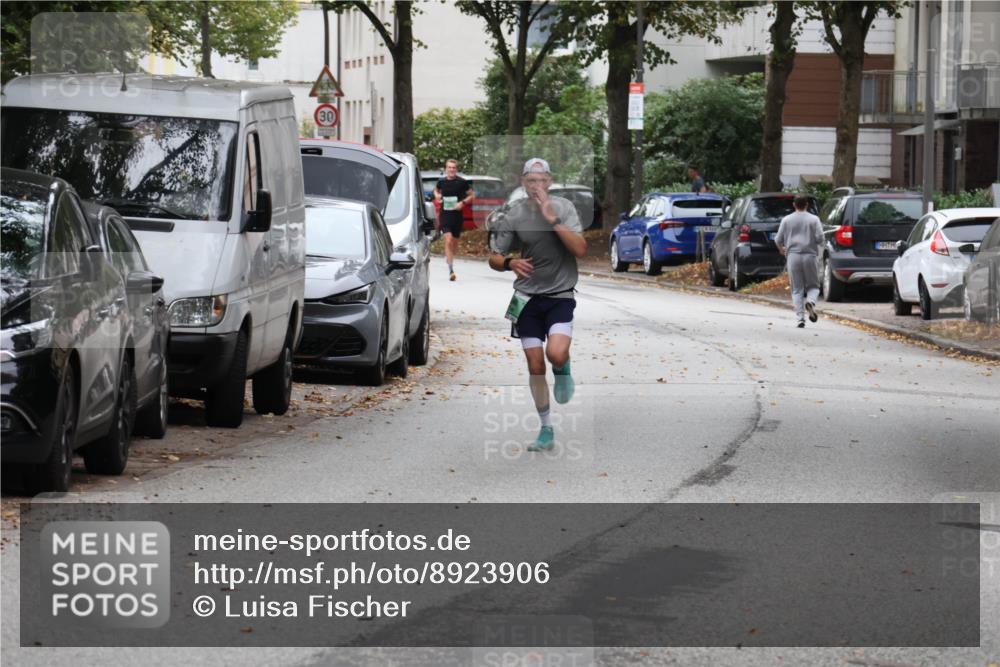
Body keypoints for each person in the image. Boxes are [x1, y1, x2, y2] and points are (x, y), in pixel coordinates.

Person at [488, 158, 586, 452]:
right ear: (523, 182)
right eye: (531, 181)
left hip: (560, 295)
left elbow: (580, 249)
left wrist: (552, 218)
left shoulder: (565, 208)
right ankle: (546, 428)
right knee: (534, 364)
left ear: (550, 182)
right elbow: (493, 257)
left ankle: (563, 365)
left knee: (555, 354)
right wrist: (508, 262)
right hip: (526, 298)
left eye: (541, 181)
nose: (536, 186)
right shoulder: (513, 215)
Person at [775, 194, 824, 328]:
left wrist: (781, 249)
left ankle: (800, 319)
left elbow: (778, 239)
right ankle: (811, 302)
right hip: (810, 255)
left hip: (793, 256)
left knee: (797, 289)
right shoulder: (814, 219)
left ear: (794, 205)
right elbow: (820, 238)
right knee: (813, 286)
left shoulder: (786, 220)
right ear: (807, 204)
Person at [434, 159, 474, 281]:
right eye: (449, 167)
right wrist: (437, 196)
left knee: (454, 243)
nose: (451, 169)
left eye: (453, 168)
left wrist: (463, 202)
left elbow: (472, 195)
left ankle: (449, 256)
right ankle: (451, 269)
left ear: (456, 169)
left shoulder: (462, 182)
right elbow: (436, 190)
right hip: (445, 215)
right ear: (446, 169)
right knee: (448, 239)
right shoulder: (441, 182)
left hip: (457, 216)